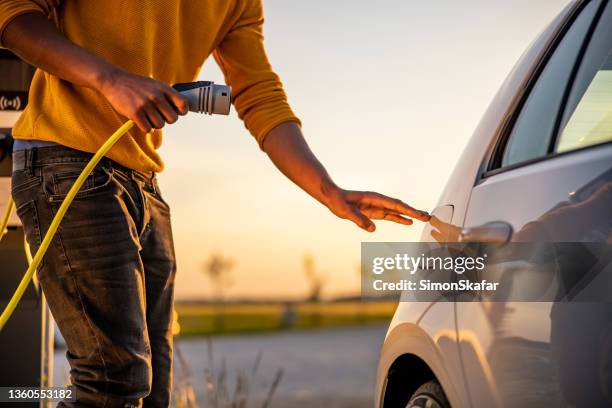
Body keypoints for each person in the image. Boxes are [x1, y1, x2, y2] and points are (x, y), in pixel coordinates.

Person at [0, 1, 430, 406]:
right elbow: (13, 15)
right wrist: (110, 79)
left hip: (142, 180)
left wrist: (328, 190)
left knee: (154, 386)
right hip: (64, 160)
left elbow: (260, 95)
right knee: (113, 378)